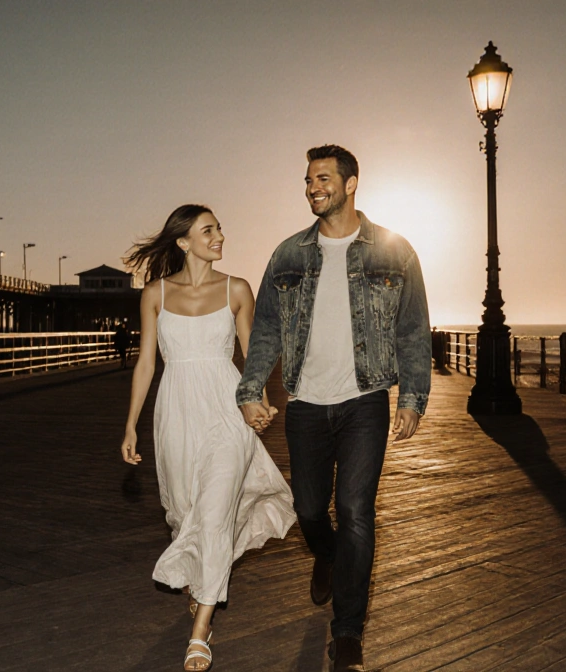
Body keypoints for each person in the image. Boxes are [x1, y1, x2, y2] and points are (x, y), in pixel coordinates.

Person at [237, 145, 431, 671]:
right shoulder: (288, 255)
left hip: (365, 399)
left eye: (322, 178)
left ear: (350, 184)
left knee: (355, 512)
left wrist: (412, 397)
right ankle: (324, 553)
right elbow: (268, 330)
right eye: (306, 180)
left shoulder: (394, 251)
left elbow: (413, 330)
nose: (311, 187)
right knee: (308, 511)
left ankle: (347, 633)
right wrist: (252, 386)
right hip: (304, 403)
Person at [120, 204, 296, 671]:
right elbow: (145, 364)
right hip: (176, 413)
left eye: (219, 228)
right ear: (183, 241)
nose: (220, 236)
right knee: (183, 515)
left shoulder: (236, 289)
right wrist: (131, 424)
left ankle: (201, 632)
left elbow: (253, 356)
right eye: (209, 230)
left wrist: (254, 400)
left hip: (225, 412)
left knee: (215, 516)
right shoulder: (155, 294)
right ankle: (202, 590)